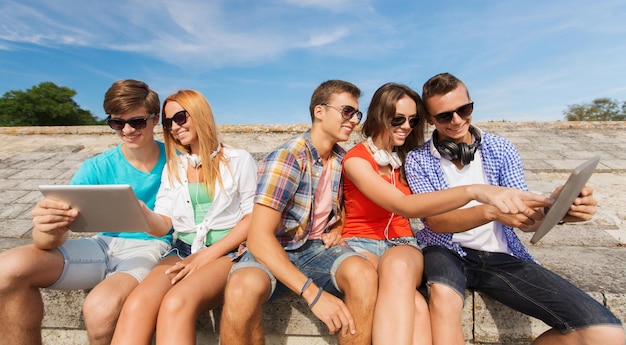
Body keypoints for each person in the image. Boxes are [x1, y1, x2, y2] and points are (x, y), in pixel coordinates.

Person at [405, 72, 625, 345]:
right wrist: (491, 210)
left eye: (464, 110)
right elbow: (437, 222)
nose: (457, 120)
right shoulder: (417, 160)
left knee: (607, 332)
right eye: (444, 116)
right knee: (444, 296)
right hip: (444, 250)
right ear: (429, 119)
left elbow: (525, 218)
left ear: (471, 104)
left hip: (500, 255)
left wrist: (557, 210)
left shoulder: (501, 148)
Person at [341, 82, 552, 345]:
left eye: (413, 120)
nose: (406, 126)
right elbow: (404, 206)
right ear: (378, 117)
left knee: (397, 267)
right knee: (417, 308)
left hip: (401, 244)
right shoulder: (356, 160)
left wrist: (551, 204)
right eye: (397, 119)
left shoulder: (408, 159)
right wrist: (474, 191)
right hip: (363, 244)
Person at [0, 79, 172, 345]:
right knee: (7, 269)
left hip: (152, 247)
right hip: (102, 245)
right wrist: (47, 227)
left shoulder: (179, 162)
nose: (127, 130)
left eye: (137, 121)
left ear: (154, 118)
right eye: (117, 123)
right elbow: (48, 241)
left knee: (101, 308)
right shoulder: (96, 167)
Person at [219, 79, 378, 345]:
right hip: (275, 249)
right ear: (319, 111)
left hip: (316, 249)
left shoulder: (341, 158)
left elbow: (341, 205)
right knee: (241, 288)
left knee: (363, 274)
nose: (354, 120)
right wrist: (312, 293)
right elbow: (259, 237)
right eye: (347, 112)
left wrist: (338, 227)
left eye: (357, 114)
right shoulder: (288, 158)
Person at [111, 89, 257, 344]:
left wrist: (206, 256)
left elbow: (251, 217)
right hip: (182, 250)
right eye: (168, 123)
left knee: (175, 303)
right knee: (137, 304)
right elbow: (163, 224)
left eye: (180, 118)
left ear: (199, 113)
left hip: (226, 252)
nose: (174, 127)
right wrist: (141, 213)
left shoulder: (238, 159)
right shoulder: (174, 168)